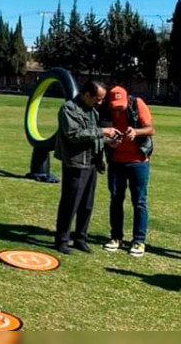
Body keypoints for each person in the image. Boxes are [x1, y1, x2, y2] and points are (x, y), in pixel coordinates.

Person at [53, 80, 113, 254]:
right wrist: (102, 132)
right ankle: (62, 240)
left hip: (91, 162)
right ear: (87, 94)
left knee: (87, 204)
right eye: (98, 99)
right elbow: (74, 135)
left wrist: (104, 149)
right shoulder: (68, 109)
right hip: (76, 163)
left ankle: (80, 238)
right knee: (70, 203)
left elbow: (93, 138)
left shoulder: (92, 110)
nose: (100, 103)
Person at [100, 86, 155, 257]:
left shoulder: (137, 104)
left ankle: (138, 240)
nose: (117, 110)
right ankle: (116, 237)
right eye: (114, 107)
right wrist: (109, 141)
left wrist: (136, 132)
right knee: (116, 199)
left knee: (139, 201)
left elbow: (151, 129)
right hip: (116, 161)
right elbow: (100, 133)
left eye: (120, 107)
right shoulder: (104, 109)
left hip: (139, 161)